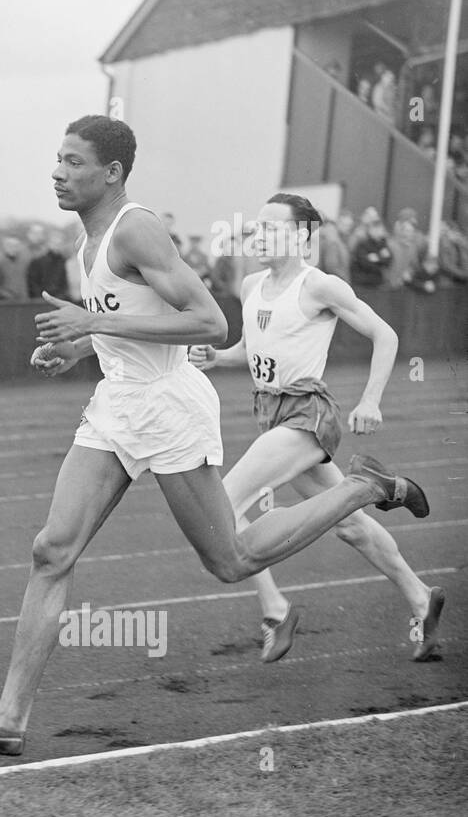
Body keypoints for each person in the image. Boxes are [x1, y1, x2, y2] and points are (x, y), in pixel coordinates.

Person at [0, 115, 428, 757]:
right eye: (57, 158)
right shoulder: (87, 242)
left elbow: (210, 322)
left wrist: (90, 321)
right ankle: (8, 720)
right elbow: (128, 322)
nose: (58, 171)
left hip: (169, 408)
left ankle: (360, 488)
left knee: (231, 560)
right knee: (51, 550)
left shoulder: (136, 227)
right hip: (116, 404)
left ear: (111, 173)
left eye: (74, 161)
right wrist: (80, 347)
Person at [190, 193, 443, 663]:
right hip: (271, 413)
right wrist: (218, 356)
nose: (258, 236)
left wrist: (371, 400)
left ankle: (275, 610)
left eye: (271, 229)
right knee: (350, 527)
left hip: (308, 414)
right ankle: (420, 597)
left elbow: (385, 335)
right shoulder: (250, 286)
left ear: (303, 236)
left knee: (220, 505)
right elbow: (252, 347)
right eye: (256, 228)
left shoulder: (320, 286)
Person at [350, 210, 392, 288]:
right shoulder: (363, 244)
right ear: (369, 230)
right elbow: (365, 263)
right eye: (374, 229)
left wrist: (377, 258)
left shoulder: (384, 244)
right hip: (362, 282)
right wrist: (380, 261)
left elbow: (388, 260)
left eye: (379, 229)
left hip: (378, 282)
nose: (377, 231)